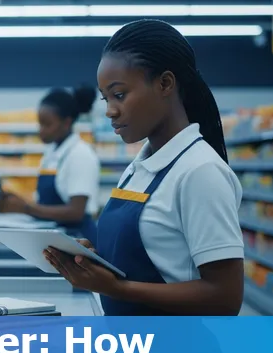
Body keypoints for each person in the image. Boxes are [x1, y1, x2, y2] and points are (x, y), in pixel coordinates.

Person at [44, 19, 245, 316]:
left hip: (178, 344)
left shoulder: (200, 171)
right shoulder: (139, 167)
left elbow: (225, 298)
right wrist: (92, 260)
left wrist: (118, 288)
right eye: (105, 98)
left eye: (119, 95)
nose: (110, 111)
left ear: (165, 84)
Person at [0, 85, 101, 243]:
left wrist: (26, 208)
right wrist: (17, 201)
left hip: (78, 238)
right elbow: (45, 202)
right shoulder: (52, 152)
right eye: (40, 124)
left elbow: (76, 212)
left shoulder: (80, 154)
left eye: (47, 124)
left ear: (67, 123)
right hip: (55, 234)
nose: (41, 130)